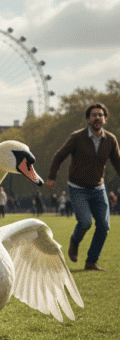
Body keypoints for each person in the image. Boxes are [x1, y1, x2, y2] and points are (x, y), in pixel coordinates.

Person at [46, 103, 120, 271]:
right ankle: (74, 241)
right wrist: (51, 177)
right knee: (85, 222)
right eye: (93, 115)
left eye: (100, 115)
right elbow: (59, 156)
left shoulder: (110, 140)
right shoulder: (77, 137)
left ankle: (91, 261)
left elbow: (118, 163)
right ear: (88, 119)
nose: (97, 118)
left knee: (104, 226)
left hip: (98, 188)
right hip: (77, 187)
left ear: (105, 119)